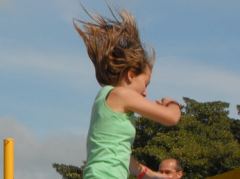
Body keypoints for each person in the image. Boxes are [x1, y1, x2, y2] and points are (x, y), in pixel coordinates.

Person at [74, 7, 181, 179]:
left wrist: (157, 177)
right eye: (145, 84)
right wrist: (172, 103)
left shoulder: (104, 98)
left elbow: (127, 162)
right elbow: (172, 117)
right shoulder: (121, 95)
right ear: (131, 75)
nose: (145, 92)